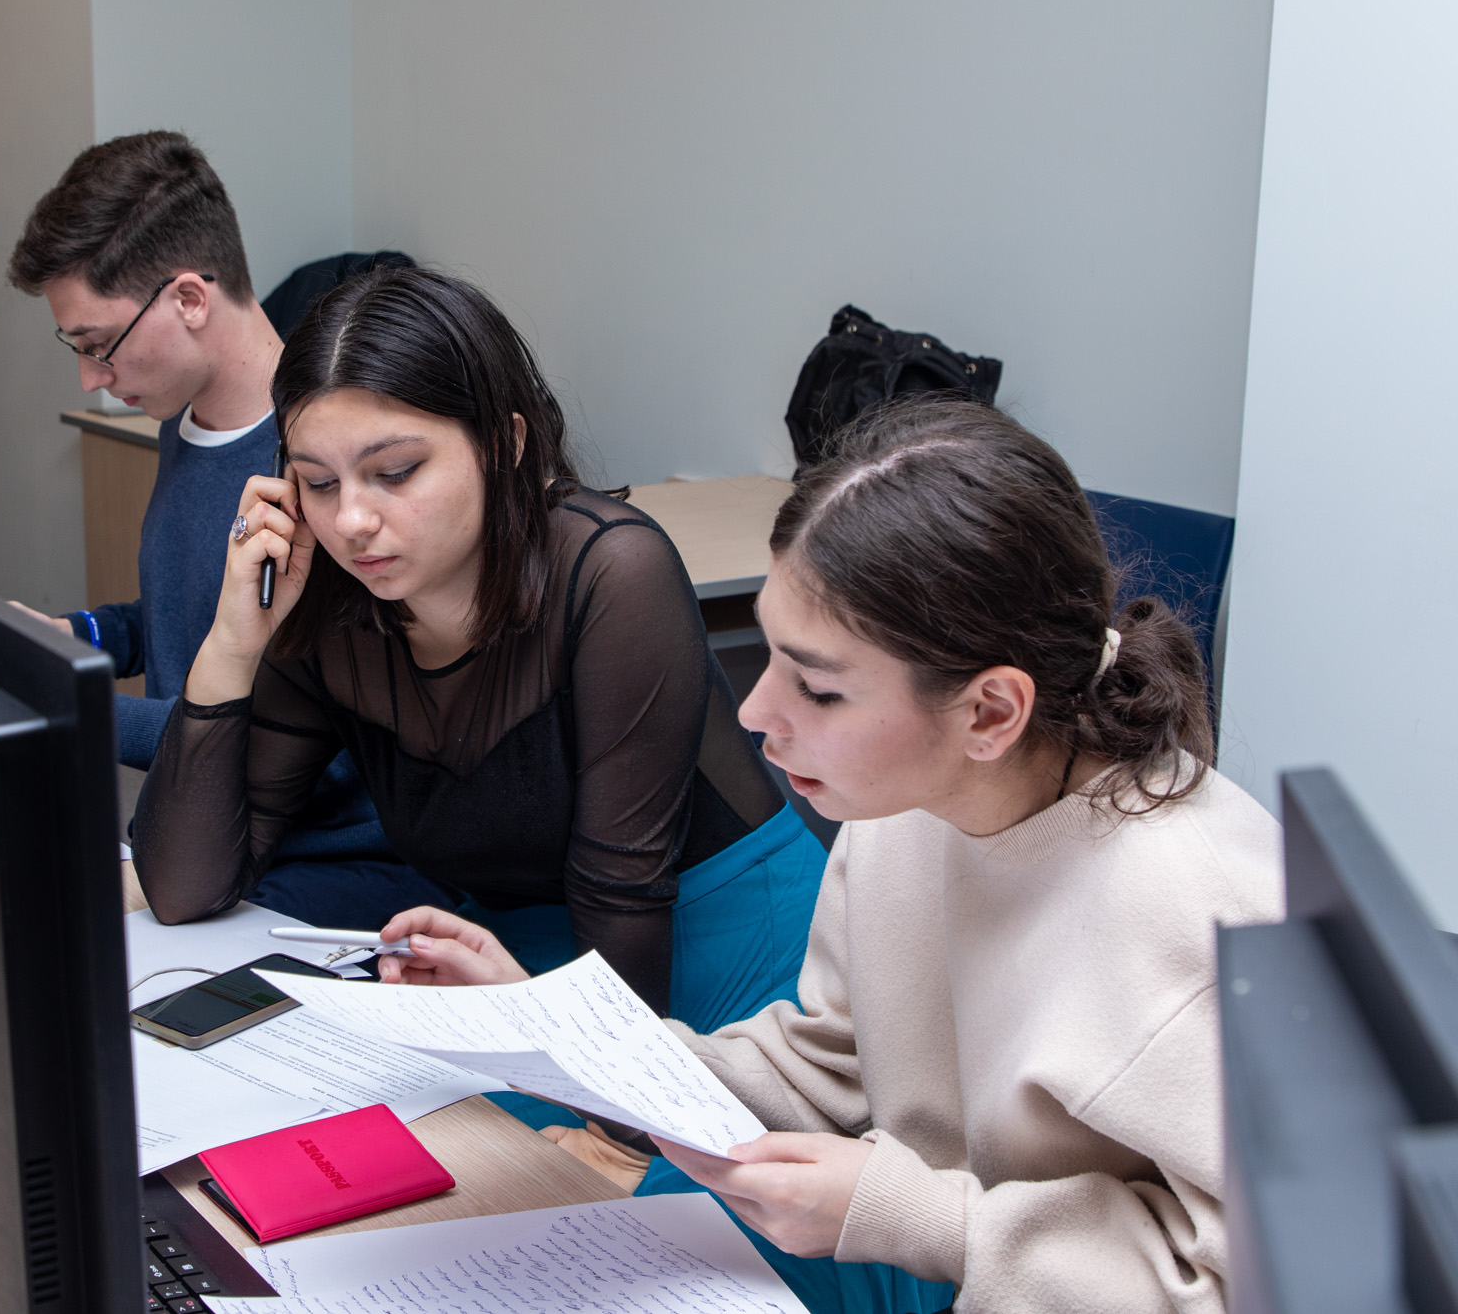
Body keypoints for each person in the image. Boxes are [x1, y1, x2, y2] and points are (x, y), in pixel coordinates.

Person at [371, 398, 1281, 1314]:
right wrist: (557, 1037)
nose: (754, 712)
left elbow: (1256, 1278)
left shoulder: (1191, 912)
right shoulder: (914, 800)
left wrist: (915, 1215)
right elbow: (834, 1066)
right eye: (771, 657)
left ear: (991, 711)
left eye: (817, 687)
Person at [133, 265, 830, 1034]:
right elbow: (183, 890)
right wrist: (232, 643)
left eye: (395, 471)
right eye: (319, 483)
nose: (352, 520)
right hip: (516, 965)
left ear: (505, 444)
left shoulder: (612, 574)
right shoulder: (330, 606)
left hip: (726, 957)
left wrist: (578, 1089)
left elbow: (625, 906)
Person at [5, 131, 450, 931]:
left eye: (100, 346)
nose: (91, 377)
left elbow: (288, 734)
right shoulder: (185, 423)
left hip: (320, 871)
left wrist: (66, 701)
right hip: (207, 835)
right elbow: (186, 613)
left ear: (188, 299)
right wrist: (78, 638)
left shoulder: (320, 468)